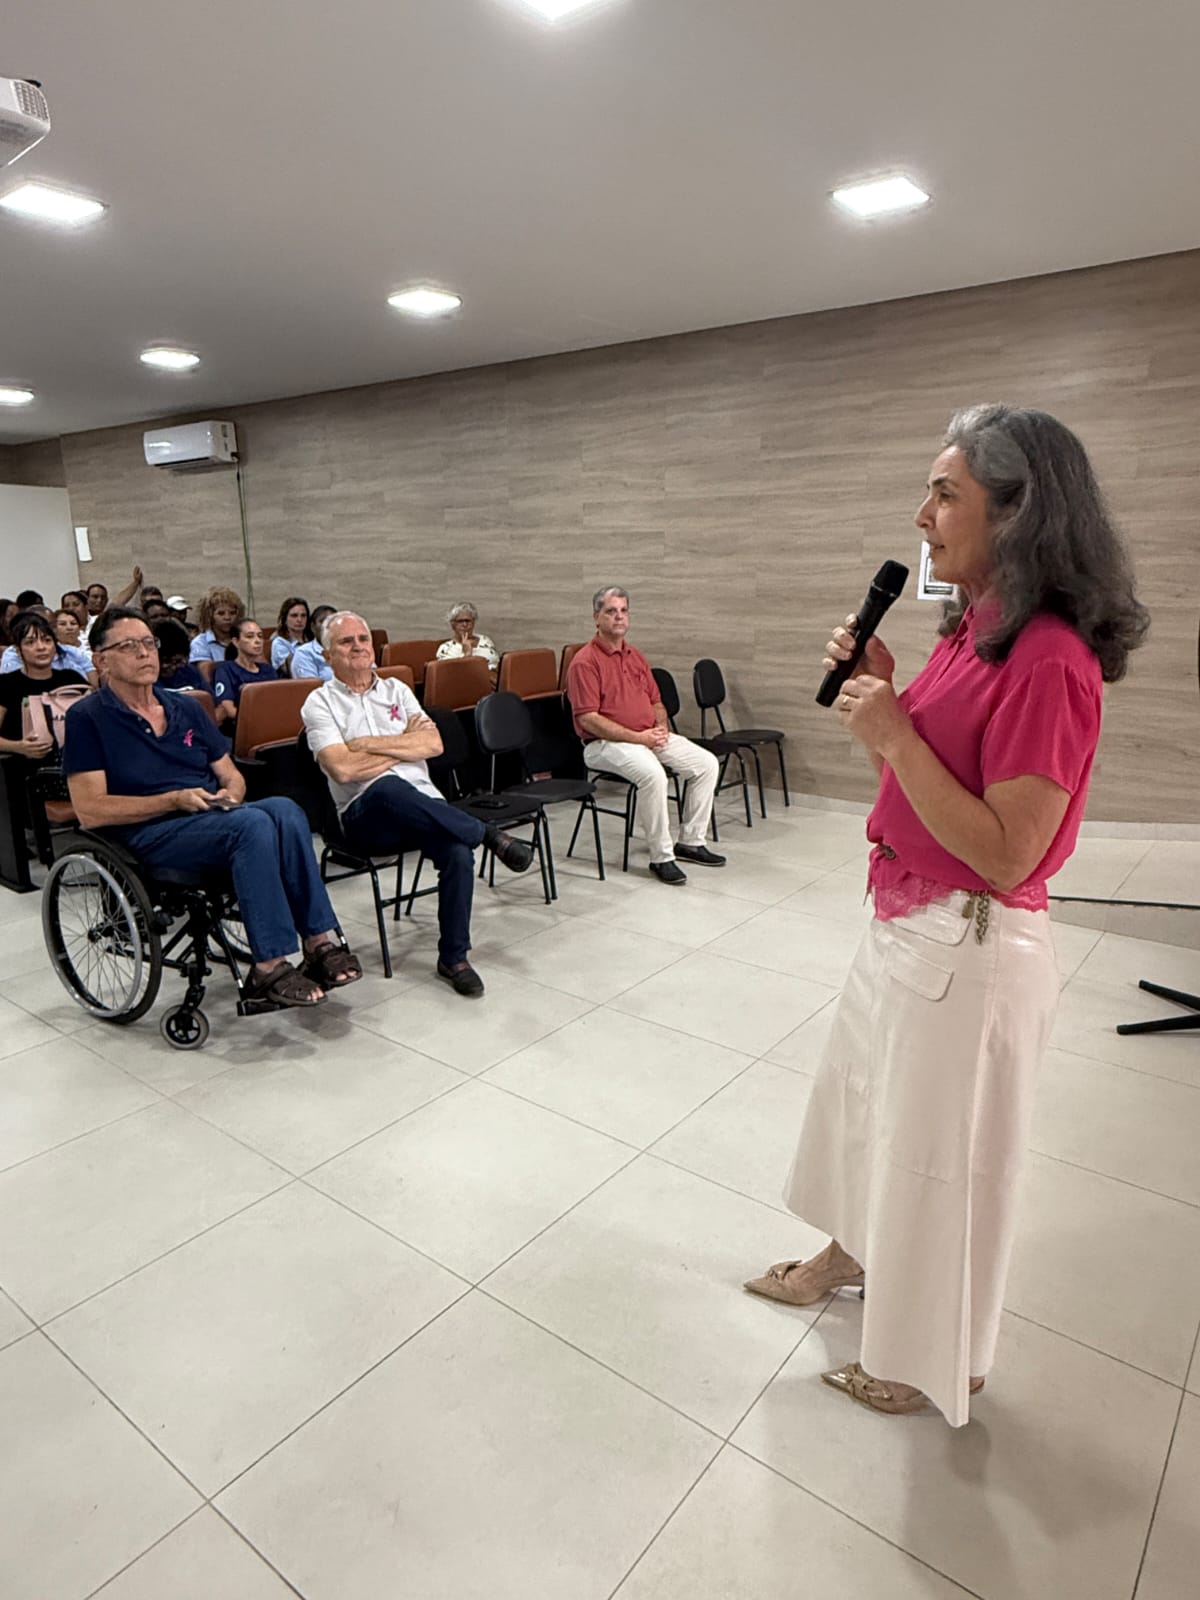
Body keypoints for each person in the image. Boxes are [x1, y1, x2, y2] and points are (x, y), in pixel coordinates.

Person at [744, 405, 1150, 1426]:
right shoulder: (976, 629)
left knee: (943, 1164)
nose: (921, 515)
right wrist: (888, 696)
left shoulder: (1049, 658)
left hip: (971, 946)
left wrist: (893, 735)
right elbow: (939, 773)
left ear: (1017, 513)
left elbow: (1009, 849)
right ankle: (855, 1252)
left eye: (943, 494)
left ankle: (936, 1361)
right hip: (908, 920)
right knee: (868, 1112)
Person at [63, 606, 362, 1008]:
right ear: (101, 660)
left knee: (286, 811)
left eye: (149, 643)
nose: (145, 653)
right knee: (252, 826)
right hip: (147, 832)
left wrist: (232, 794)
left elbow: (230, 774)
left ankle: (318, 942)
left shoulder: (185, 707)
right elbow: (90, 810)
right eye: (129, 646)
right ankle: (269, 965)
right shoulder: (87, 718)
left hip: (206, 816)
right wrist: (172, 799)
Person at [302, 611, 535, 998]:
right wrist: (403, 746)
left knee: (457, 852)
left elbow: (433, 744)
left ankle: (454, 959)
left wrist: (366, 744)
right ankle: (487, 833)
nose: (358, 646)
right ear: (327, 656)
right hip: (364, 816)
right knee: (387, 787)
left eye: (363, 638)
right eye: (346, 641)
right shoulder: (319, 703)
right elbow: (342, 770)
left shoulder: (396, 689)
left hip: (423, 807)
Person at [567, 586, 725, 884]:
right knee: (654, 775)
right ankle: (661, 857)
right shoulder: (584, 662)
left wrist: (661, 727)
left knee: (706, 764)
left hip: (647, 735)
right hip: (603, 744)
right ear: (596, 617)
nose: (619, 617)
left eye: (624, 611)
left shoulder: (635, 655)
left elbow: (656, 701)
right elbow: (589, 719)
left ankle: (691, 842)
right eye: (611, 611)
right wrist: (639, 739)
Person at [0, 611, 89, 770]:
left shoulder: (72, 679)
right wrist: (18, 746)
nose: (41, 647)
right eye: (30, 642)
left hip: (74, 767)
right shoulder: (6, 684)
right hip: (23, 770)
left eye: (47, 640)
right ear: (19, 650)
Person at [212, 618, 278, 727]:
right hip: (241, 726)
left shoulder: (268, 670)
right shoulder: (225, 669)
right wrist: (256, 721)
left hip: (271, 724)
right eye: (250, 636)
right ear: (236, 642)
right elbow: (228, 709)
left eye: (260, 636)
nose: (257, 641)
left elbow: (278, 702)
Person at [1, 609, 94, 678]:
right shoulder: (13, 654)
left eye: (53, 626)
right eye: (30, 642)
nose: (41, 647)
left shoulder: (72, 654)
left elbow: (92, 682)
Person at [435, 602, 500, 673]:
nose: (465, 624)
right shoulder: (446, 649)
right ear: (453, 625)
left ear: (473, 622)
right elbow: (452, 676)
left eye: (468, 620)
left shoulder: (485, 640)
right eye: (460, 621)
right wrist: (467, 655)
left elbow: (497, 663)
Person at [190, 587, 246, 662]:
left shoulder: (244, 640)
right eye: (221, 613)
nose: (227, 617)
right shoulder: (200, 643)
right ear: (209, 616)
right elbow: (204, 668)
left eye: (232, 613)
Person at [153, 618, 210, 692]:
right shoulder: (146, 677)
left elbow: (209, 696)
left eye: (177, 662)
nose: (171, 667)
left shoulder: (189, 671)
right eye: (166, 661)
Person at [289, 604, 337, 681]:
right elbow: (311, 687)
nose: (327, 626)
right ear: (313, 627)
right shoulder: (304, 653)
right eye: (322, 621)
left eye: (332, 622)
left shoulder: (347, 649)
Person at [271, 596, 311, 673]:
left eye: (303, 615)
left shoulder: (312, 639)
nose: (299, 620)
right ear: (284, 619)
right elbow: (292, 670)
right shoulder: (279, 642)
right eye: (294, 616)